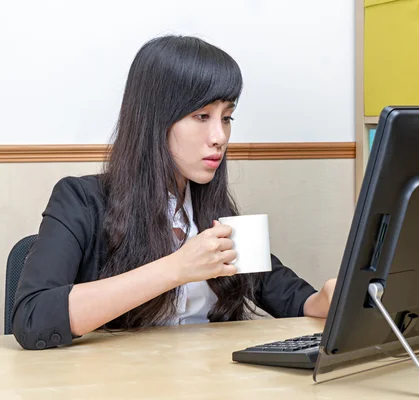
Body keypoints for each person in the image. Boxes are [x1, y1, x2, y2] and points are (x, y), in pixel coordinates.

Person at [11, 35, 336, 350]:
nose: (219, 136)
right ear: (155, 120)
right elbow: (33, 317)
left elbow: (292, 299)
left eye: (227, 117)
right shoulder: (80, 199)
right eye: (201, 116)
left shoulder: (215, 209)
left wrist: (327, 299)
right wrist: (175, 268)